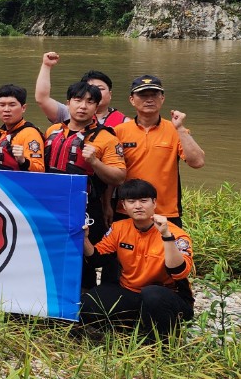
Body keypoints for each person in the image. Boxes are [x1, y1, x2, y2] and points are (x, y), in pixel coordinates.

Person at [81, 178, 195, 341]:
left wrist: (166, 236)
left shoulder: (175, 234)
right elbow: (97, 259)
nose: (138, 206)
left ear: (154, 203)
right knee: (87, 305)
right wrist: (85, 239)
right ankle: (135, 327)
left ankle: (161, 342)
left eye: (143, 201)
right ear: (124, 205)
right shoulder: (119, 228)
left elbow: (178, 272)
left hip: (169, 296)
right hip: (131, 292)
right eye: (131, 201)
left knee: (152, 295)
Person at [45, 81, 128, 288]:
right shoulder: (53, 131)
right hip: (51, 206)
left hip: (86, 208)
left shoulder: (106, 137)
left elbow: (119, 177)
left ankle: (84, 300)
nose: (83, 106)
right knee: (50, 254)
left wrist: (95, 162)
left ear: (96, 107)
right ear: (68, 103)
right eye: (78, 100)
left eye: (90, 102)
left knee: (83, 260)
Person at [114, 75, 206, 226]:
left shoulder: (175, 129)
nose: (149, 99)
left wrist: (180, 128)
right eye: (143, 95)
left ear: (162, 98)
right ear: (132, 100)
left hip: (166, 211)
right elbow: (113, 173)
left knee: (169, 242)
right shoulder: (119, 131)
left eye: (154, 95)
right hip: (127, 210)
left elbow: (198, 162)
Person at [35, 52, 127, 127]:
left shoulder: (125, 123)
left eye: (100, 88)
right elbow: (42, 99)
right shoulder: (71, 112)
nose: (95, 92)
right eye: (90, 88)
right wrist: (46, 66)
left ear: (110, 94)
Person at [0, 84, 45, 172]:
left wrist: (23, 161)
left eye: (12, 105)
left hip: (13, 181)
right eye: (2, 105)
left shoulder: (30, 134)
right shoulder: (0, 134)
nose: (6, 109)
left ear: (23, 108)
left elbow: (40, 170)